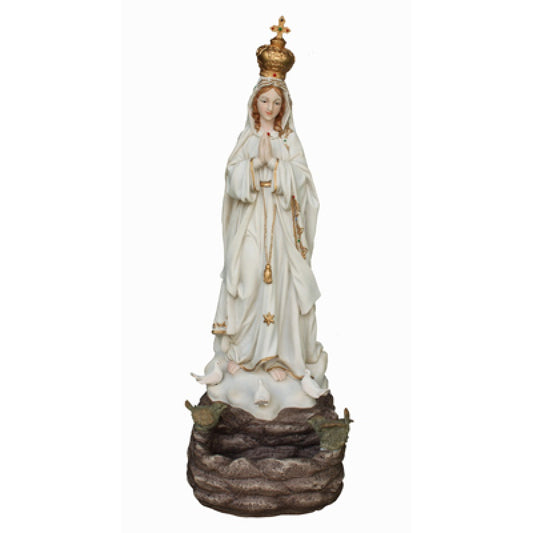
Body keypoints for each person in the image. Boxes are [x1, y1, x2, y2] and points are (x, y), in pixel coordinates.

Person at [194, 20, 329, 418]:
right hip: (253, 222)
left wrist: (280, 168)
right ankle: (243, 353)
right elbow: (231, 180)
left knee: (282, 285)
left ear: (284, 106)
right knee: (249, 279)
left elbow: (305, 186)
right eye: (265, 101)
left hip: (281, 226)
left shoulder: (289, 141)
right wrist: (255, 167)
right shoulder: (248, 139)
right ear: (255, 103)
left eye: (276, 103)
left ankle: (277, 358)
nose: (270, 108)